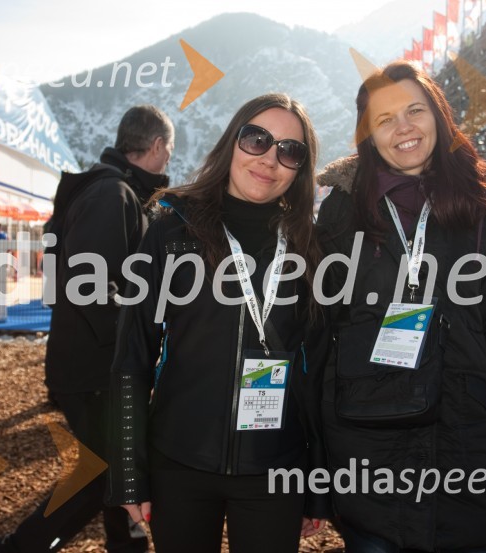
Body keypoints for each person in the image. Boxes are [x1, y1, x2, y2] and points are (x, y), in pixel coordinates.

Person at [316, 61, 486, 553]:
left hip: (467, 453)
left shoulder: (480, 206)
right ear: (369, 136)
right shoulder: (342, 211)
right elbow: (317, 338)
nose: (403, 127)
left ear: (438, 117)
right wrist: (318, 465)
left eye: (414, 110)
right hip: (369, 456)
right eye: (384, 119)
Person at [105, 93, 331, 553]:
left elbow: (320, 371)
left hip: (276, 468)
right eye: (257, 139)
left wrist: (320, 482)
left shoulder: (309, 244)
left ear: (300, 169)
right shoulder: (173, 229)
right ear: (232, 141)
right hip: (180, 463)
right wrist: (129, 471)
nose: (270, 158)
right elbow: (133, 355)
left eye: (290, 150)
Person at [0, 105, 174, 553]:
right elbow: (91, 286)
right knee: (105, 472)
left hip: (91, 361)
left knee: (115, 470)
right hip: (96, 367)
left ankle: (126, 547)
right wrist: (133, 346)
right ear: (158, 146)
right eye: (169, 150)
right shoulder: (112, 195)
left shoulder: (107, 190)